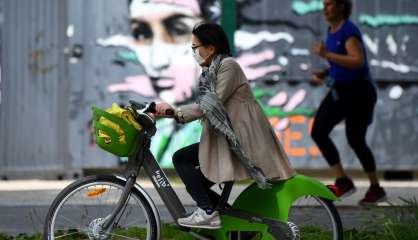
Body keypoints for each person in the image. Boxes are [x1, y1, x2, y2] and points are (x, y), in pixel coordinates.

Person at [155, 22, 295, 229]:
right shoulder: (210, 71)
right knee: (196, 180)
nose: (193, 52)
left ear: (211, 48)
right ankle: (228, 221)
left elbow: (211, 103)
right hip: (228, 137)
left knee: (182, 159)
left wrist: (176, 112)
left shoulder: (229, 65)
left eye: (195, 47)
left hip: (243, 140)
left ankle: (208, 212)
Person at [311, 0, 386, 205]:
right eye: (323, 4)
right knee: (318, 132)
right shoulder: (332, 30)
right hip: (341, 90)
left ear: (341, 7)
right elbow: (341, 62)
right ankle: (343, 181)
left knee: (355, 139)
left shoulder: (348, 31)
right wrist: (326, 72)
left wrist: (326, 55)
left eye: (329, 4)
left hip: (359, 92)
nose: (324, 8)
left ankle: (375, 187)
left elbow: (357, 60)